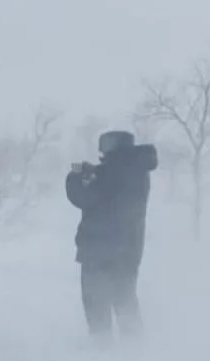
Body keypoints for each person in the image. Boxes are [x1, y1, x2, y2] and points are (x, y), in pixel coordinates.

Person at [66, 129, 158, 341]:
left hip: (99, 249)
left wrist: (74, 178)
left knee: (95, 301)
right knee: (124, 298)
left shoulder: (113, 172)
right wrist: (96, 172)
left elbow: (86, 198)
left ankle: (103, 349)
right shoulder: (137, 170)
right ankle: (134, 346)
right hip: (129, 249)